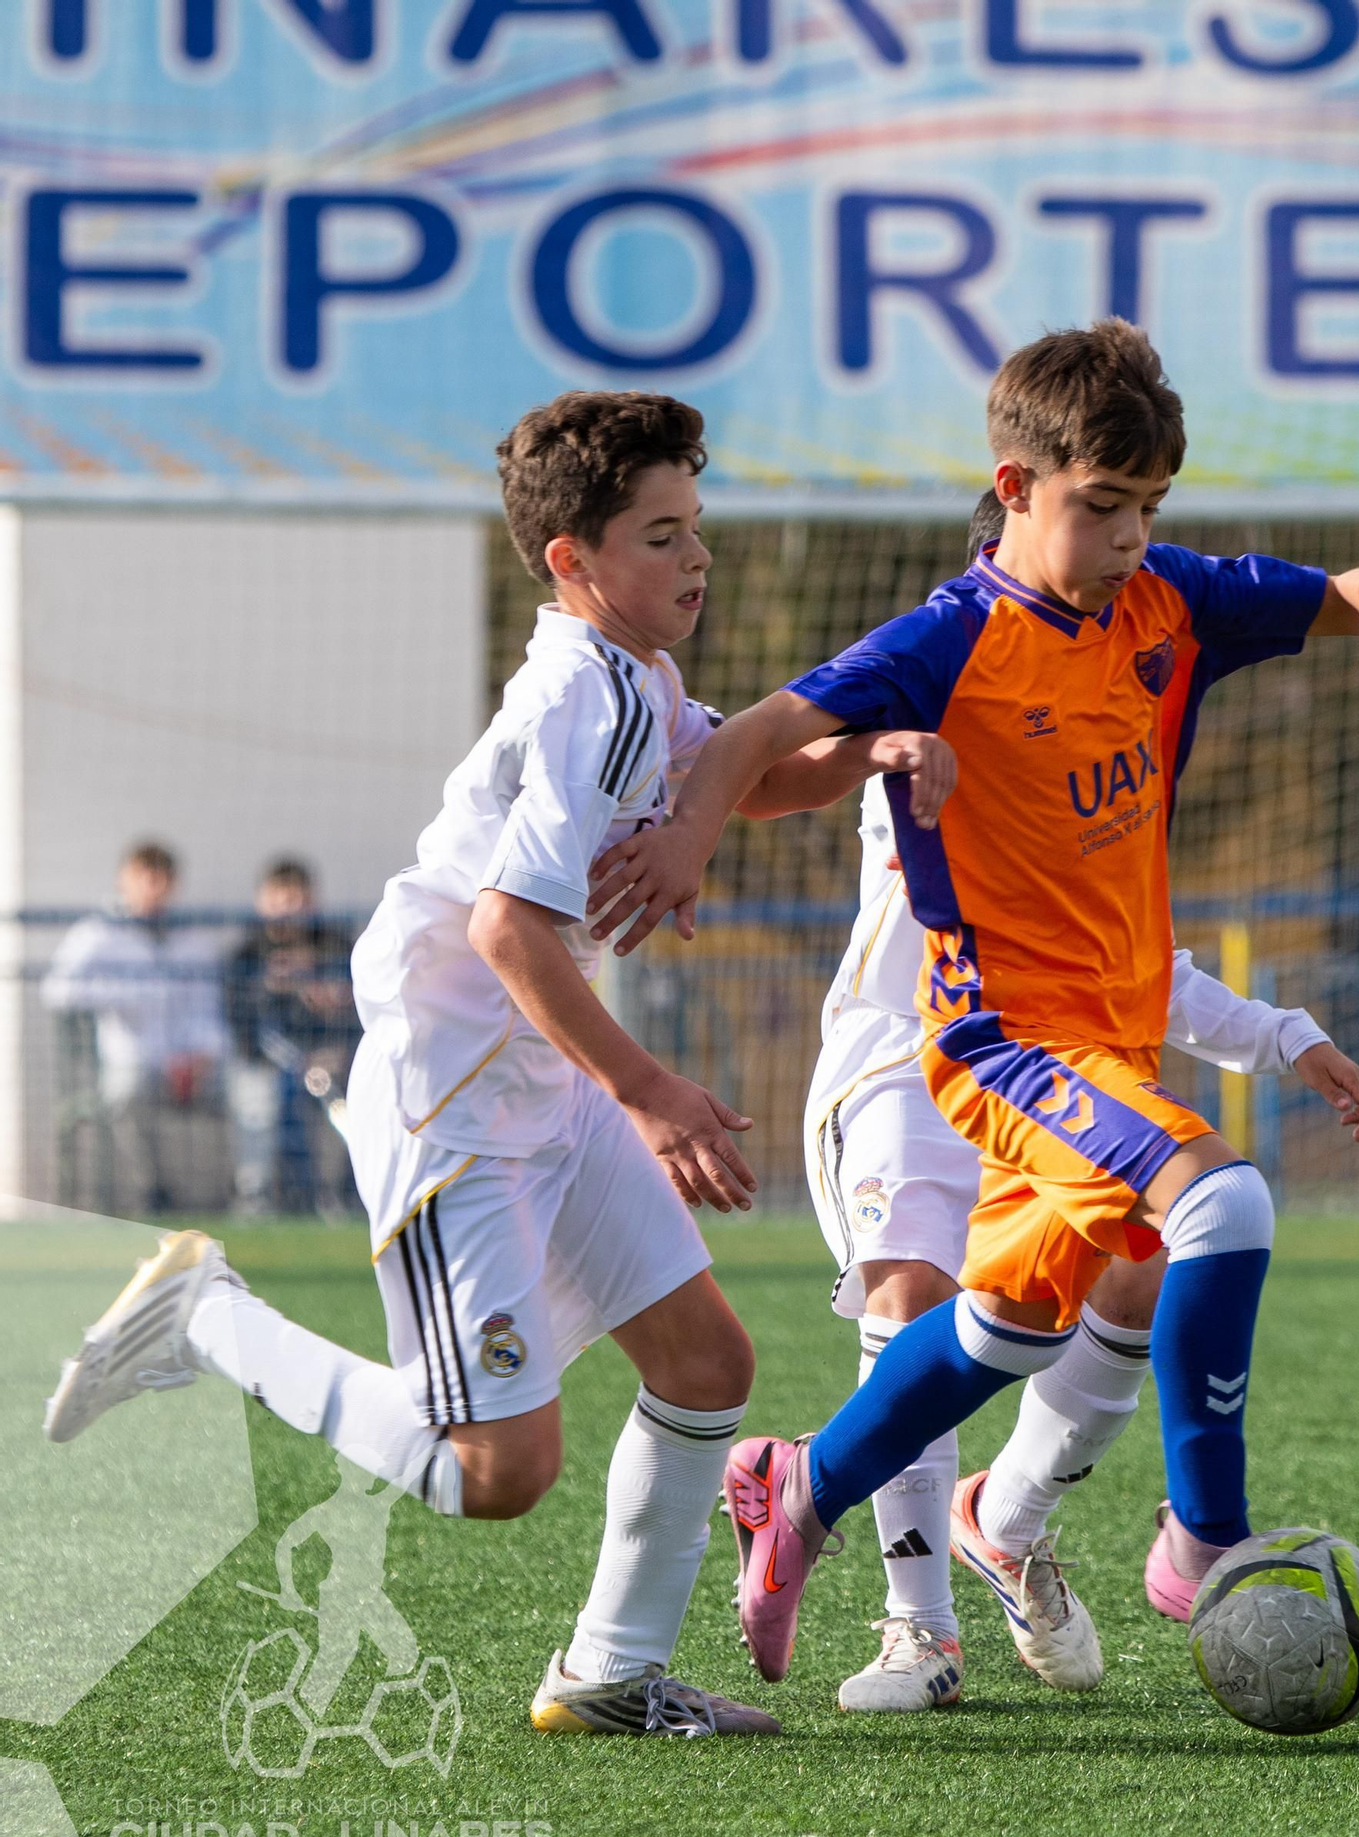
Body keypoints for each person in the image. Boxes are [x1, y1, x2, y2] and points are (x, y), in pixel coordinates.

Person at [42, 391, 944, 1737]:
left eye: (697, 527)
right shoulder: (579, 694)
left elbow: (741, 784)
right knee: (496, 1471)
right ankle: (201, 1314)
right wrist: (650, 1092)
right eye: (659, 535)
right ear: (570, 559)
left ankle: (609, 1676)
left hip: (538, 1071)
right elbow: (505, 926)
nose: (695, 558)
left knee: (704, 1361)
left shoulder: (640, 674)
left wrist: (876, 750)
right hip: (454, 1086)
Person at [584, 319, 1359, 1685]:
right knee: (1222, 1202)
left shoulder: (1165, 602)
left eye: (1148, 509)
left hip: (1102, 1040)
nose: (1126, 538)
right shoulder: (954, 634)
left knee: (1014, 1325)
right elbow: (755, 740)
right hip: (999, 1045)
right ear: (1015, 488)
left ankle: (799, 1489)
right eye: (1101, 508)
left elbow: (1306, 597)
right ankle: (1206, 1549)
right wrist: (689, 835)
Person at [806, 501, 1359, 1712]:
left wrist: (1283, 1034)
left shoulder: (1095, 686)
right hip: (909, 1054)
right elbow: (788, 762)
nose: (1118, 584)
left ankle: (1005, 1521)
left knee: (1132, 1274)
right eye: (1100, 524)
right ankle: (919, 1627)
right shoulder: (946, 695)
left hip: (1054, 1044)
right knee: (914, 1285)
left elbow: (1121, 952)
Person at [42, 841, 228, 1215]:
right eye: (144, 877)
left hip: (189, 1064)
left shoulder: (190, 938)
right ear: (123, 879)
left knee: (245, 1094)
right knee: (127, 1096)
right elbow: (57, 989)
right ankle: (154, 1190)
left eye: (162, 878)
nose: (153, 888)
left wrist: (200, 1055)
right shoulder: (98, 932)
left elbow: (208, 1008)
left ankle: (238, 1200)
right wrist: (126, 992)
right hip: (130, 1058)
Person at [224, 857, 359, 1218]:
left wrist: (337, 1030)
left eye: (296, 897)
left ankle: (350, 1196)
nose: (288, 908)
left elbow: (364, 1012)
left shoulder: (336, 945)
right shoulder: (246, 953)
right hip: (267, 1065)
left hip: (334, 1061)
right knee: (271, 1097)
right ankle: (285, 1200)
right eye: (278, 897)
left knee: (364, 1096)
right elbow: (239, 1025)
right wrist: (272, 989)